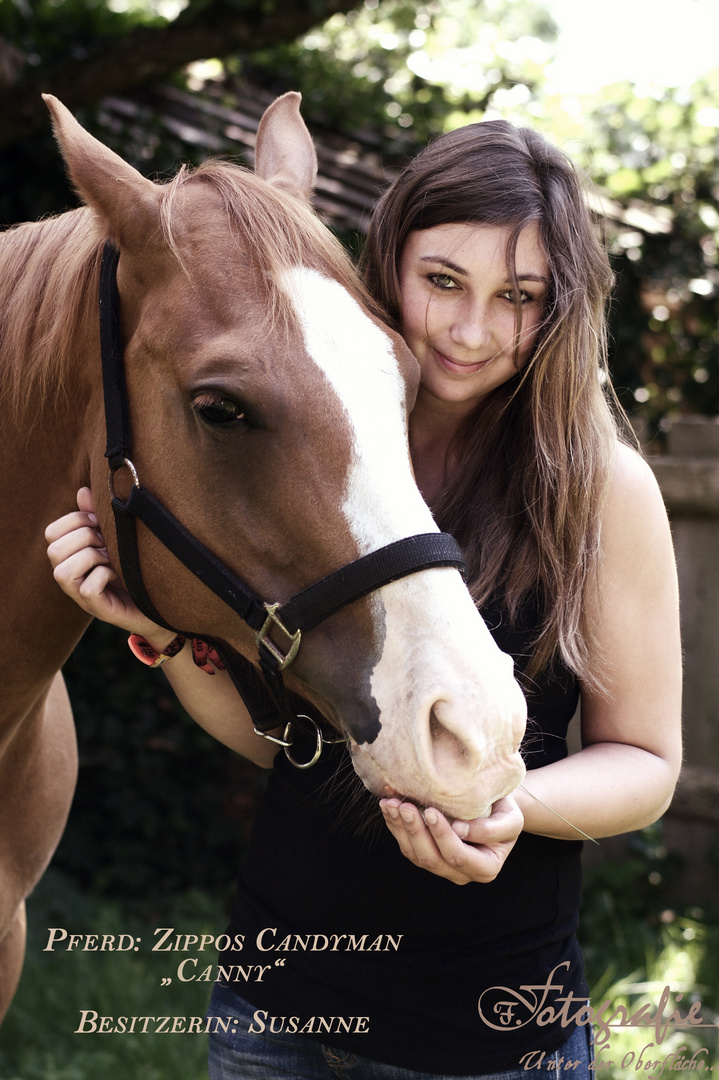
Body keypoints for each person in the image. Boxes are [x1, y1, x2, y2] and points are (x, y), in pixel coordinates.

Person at [45, 118, 682, 1079]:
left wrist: (513, 803)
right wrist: (164, 638)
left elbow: (645, 761)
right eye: (442, 282)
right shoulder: (308, 443)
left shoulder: (597, 489)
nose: (471, 331)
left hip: (486, 1033)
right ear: (386, 263)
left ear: (559, 309)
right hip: (273, 1007)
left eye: (518, 297)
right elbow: (287, 744)